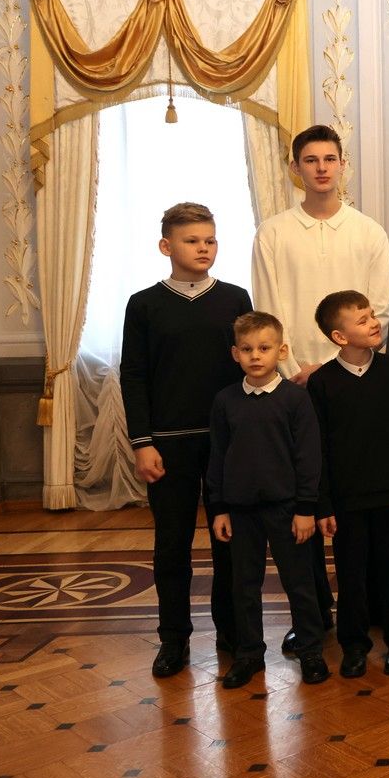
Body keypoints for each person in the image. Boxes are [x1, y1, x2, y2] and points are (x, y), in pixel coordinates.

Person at [251, 124, 389, 651]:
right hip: (294, 383)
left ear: (342, 164)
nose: (321, 168)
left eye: (329, 159)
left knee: (359, 494)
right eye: (310, 160)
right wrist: (298, 370)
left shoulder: (368, 232)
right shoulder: (273, 233)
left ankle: (372, 603)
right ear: (296, 169)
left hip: (355, 382)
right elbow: (268, 309)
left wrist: (334, 365)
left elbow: (380, 309)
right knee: (304, 500)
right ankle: (311, 613)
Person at [120, 202, 252, 678]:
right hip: (167, 445)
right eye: (192, 240)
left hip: (226, 444)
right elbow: (134, 376)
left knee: (230, 544)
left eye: (210, 240)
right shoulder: (144, 304)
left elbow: (251, 369)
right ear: (166, 246)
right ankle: (173, 639)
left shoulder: (235, 298)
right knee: (171, 546)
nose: (203, 248)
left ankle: (233, 634)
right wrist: (142, 443)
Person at [206, 312, 329, 689]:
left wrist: (306, 508)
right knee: (244, 585)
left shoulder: (295, 399)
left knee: (300, 583)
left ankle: (310, 649)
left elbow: (309, 456)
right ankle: (248, 654)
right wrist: (219, 508)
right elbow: (218, 456)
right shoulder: (225, 400)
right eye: (247, 349)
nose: (255, 356)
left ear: (282, 351)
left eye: (264, 348)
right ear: (235, 354)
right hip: (241, 510)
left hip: (288, 509)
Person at [308, 290, 389, 679]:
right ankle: (354, 646)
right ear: (339, 337)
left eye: (372, 315)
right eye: (362, 320)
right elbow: (319, 449)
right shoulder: (322, 382)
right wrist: (323, 504)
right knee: (351, 574)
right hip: (346, 501)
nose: (374, 323)